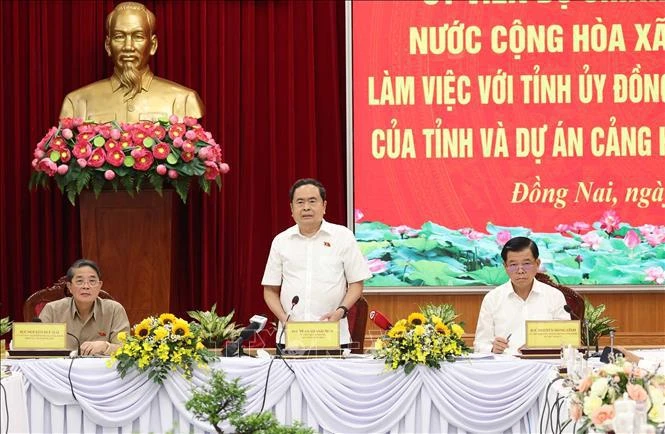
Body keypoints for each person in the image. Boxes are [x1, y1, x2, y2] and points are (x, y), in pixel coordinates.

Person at [262, 178, 372, 347]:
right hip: (291, 336)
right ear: (292, 208)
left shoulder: (343, 236)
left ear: (324, 206)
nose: (306, 207)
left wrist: (340, 312)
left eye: (312, 201)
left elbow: (356, 283)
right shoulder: (281, 241)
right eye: (300, 202)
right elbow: (270, 290)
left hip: (333, 335)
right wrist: (285, 320)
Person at [59, 2, 203, 123]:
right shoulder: (76, 102)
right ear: (108, 46)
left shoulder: (184, 100)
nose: (128, 46)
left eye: (138, 36)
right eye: (119, 36)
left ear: (153, 45)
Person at [474, 236, 570, 355]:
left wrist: (540, 346)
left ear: (537, 263)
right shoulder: (492, 298)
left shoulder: (555, 296)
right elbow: (479, 344)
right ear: (505, 266)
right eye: (513, 265)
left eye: (526, 263)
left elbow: (567, 342)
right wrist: (492, 348)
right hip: (505, 368)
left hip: (544, 366)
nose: (520, 270)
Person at [39, 259, 130, 356]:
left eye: (92, 281)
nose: (86, 286)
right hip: (61, 370)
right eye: (79, 281)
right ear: (69, 286)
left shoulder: (114, 310)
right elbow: (35, 345)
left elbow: (126, 349)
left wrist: (106, 347)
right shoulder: (52, 310)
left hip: (100, 370)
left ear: (99, 286)